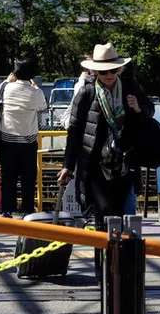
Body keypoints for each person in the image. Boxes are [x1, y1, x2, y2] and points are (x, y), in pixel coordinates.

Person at [57, 42, 154, 271]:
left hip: (125, 163)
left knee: (124, 216)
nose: (108, 75)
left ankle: (123, 269)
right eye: (103, 71)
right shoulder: (87, 91)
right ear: (94, 71)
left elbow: (149, 111)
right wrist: (68, 166)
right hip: (95, 165)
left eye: (112, 70)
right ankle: (104, 269)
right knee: (104, 216)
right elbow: (75, 131)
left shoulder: (130, 87)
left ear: (119, 69)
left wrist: (138, 108)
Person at [0, 57, 47, 218]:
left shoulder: (7, 88)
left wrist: (6, 81)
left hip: (7, 140)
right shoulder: (35, 92)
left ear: (15, 73)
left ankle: (7, 210)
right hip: (28, 141)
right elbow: (43, 106)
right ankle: (28, 210)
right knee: (28, 178)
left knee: (8, 178)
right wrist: (35, 86)